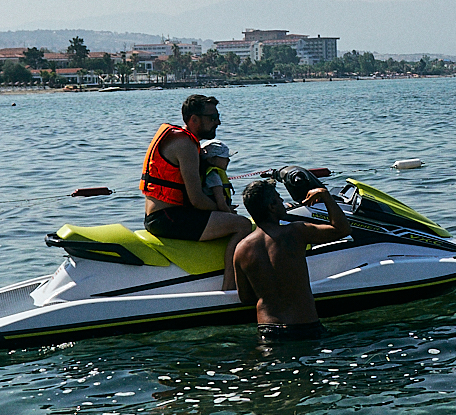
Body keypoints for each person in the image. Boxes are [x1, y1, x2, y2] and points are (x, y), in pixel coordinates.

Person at [140, 94, 254, 291]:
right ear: (194, 119)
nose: (218, 122)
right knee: (242, 225)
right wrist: (224, 211)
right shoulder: (185, 145)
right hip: (167, 218)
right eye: (212, 117)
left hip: (166, 215)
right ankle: (230, 287)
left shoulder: (185, 141)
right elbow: (197, 200)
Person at [234, 175, 352, 346]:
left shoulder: (241, 249)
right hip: (304, 326)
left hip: (268, 330)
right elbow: (342, 229)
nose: (283, 201)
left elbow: (245, 297)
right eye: (278, 198)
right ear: (272, 207)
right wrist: (325, 195)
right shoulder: (295, 232)